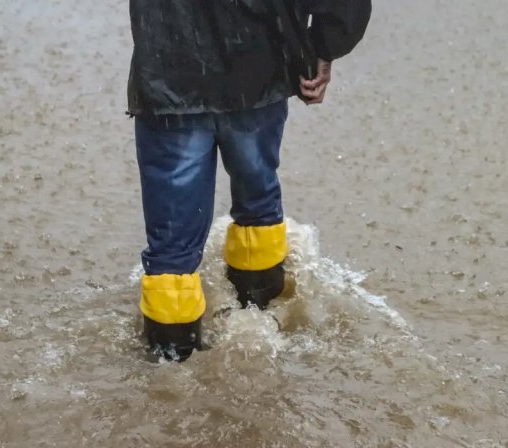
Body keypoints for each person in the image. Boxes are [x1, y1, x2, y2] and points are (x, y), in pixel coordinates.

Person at [127, 0, 372, 361]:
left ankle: (170, 366)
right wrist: (323, 47)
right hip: (258, 69)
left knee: (171, 251)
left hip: (168, 75)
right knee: (258, 205)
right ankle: (262, 322)